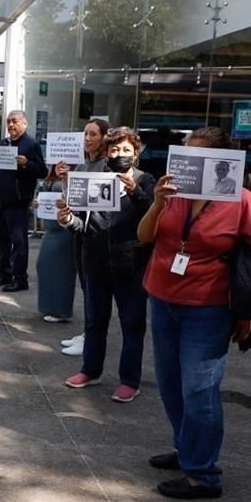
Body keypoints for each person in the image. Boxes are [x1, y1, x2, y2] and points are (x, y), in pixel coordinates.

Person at [138, 126, 251, 499]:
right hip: (163, 299)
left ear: (221, 162)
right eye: (186, 154)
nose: (188, 163)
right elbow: (146, 236)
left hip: (209, 308)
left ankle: (202, 475)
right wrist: (158, 203)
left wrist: (248, 313)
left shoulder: (242, 200)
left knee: (200, 389)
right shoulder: (172, 192)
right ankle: (187, 450)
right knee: (170, 385)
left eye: (197, 157)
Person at [57, 127, 156, 403]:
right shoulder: (94, 180)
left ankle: (129, 380)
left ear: (135, 154)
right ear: (107, 153)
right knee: (94, 322)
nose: (119, 154)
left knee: (132, 325)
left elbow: (155, 216)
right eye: (114, 150)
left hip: (132, 267)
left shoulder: (146, 181)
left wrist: (135, 191)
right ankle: (90, 370)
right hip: (96, 264)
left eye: (126, 150)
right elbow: (82, 226)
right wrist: (67, 220)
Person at [56, 118, 111, 356]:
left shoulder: (106, 167)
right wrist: (65, 182)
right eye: (85, 134)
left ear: (104, 137)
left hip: (98, 234)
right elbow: (75, 201)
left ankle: (92, 337)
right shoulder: (82, 166)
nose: (87, 139)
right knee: (85, 285)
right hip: (80, 231)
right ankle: (88, 333)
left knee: (94, 289)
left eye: (93, 134)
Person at [0, 110, 47, 292]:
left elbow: (42, 171)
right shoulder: (2, 144)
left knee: (19, 242)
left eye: (15, 121)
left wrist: (27, 163)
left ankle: (20, 279)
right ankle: (4, 274)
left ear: (24, 124)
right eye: (9, 122)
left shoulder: (31, 144)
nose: (11, 125)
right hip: (1, 201)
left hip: (18, 202)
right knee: (0, 240)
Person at [35, 166, 76, 323]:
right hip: (50, 229)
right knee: (44, 265)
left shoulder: (74, 176)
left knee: (63, 269)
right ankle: (49, 306)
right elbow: (43, 197)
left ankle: (61, 310)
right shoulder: (51, 177)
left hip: (63, 230)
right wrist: (37, 204)